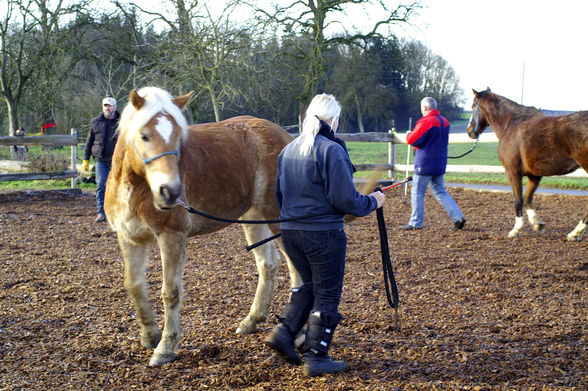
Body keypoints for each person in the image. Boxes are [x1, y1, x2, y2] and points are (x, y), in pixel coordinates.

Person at [266, 93, 385, 377]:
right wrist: (374, 201)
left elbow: (279, 196)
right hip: (323, 236)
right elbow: (345, 201)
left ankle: (284, 333)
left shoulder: (289, 150)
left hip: (291, 233)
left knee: (309, 285)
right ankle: (317, 357)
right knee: (327, 293)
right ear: (334, 119)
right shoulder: (332, 151)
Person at [400, 97, 465, 231]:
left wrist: (409, 134)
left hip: (424, 163)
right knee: (440, 191)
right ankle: (458, 217)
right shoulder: (445, 122)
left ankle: (415, 223)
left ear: (424, 108)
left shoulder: (426, 122)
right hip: (439, 163)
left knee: (417, 192)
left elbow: (413, 139)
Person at [82, 97, 120, 223]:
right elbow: (89, 142)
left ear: (115, 107)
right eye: (105, 106)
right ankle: (101, 212)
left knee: (117, 187)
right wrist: (85, 160)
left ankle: (115, 212)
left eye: (109, 106)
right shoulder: (95, 122)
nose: (107, 108)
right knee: (101, 185)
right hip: (101, 160)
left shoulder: (122, 122)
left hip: (117, 160)